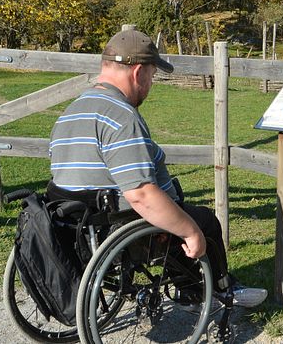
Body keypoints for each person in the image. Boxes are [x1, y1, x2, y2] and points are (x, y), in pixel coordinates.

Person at [48, 28, 266, 307]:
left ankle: (190, 283)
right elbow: (141, 195)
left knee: (174, 212)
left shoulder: (71, 111)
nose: (151, 84)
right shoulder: (121, 117)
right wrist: (190, 232)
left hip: (76, 222)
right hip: (115, 225)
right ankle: (221, 289)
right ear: (138, 73)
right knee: (202, 221)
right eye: (152, 76)